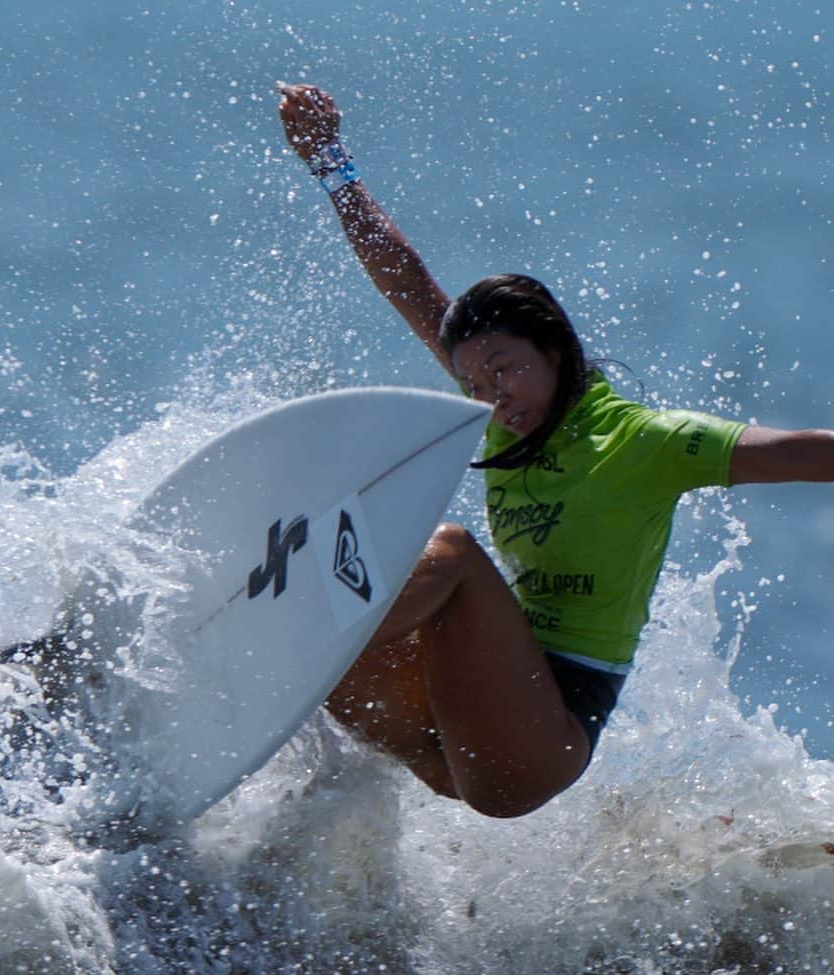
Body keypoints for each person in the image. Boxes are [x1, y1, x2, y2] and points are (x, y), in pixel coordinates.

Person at [276, 82, 834, 820]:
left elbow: (805, 452)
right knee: (349, 570)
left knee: (446, 551)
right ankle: (278, 681)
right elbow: (402, 278)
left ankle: (285, 662)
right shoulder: (499, 405)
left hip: (538, 743)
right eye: (473, 381)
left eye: (504, 369)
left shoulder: (645, 441)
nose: (491, 396)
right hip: (454, 731)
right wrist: (331, 163)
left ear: (555, 348)